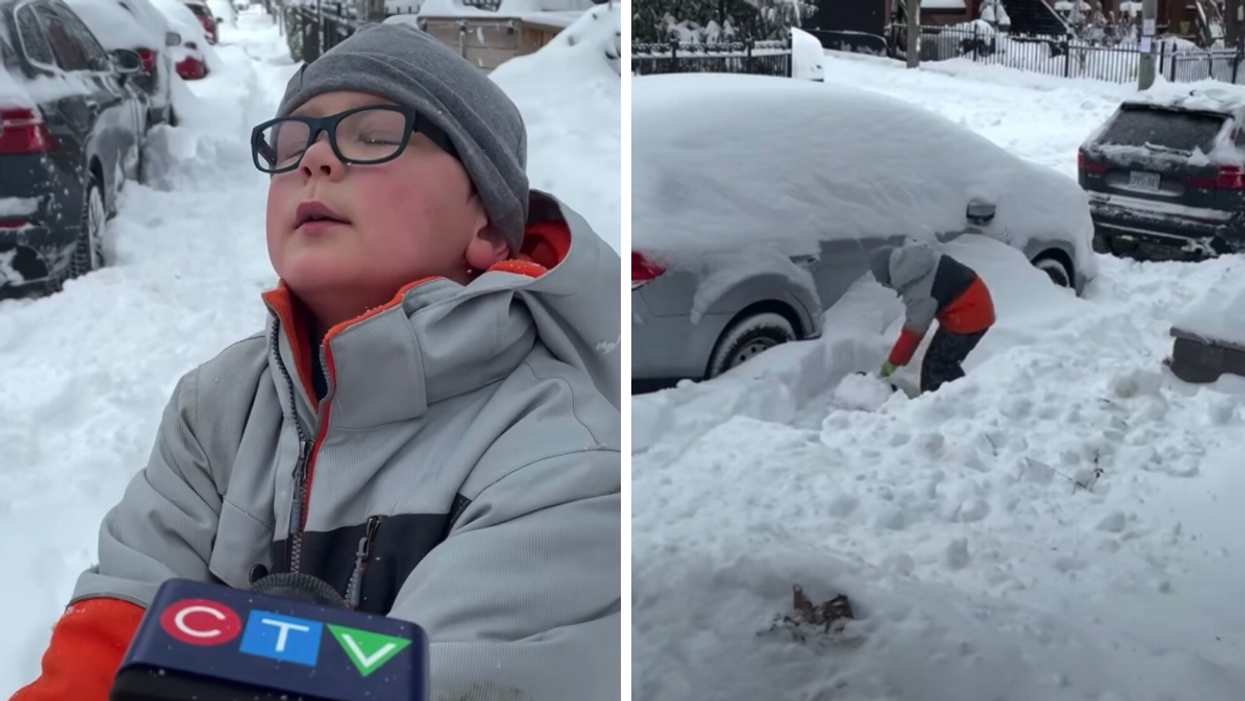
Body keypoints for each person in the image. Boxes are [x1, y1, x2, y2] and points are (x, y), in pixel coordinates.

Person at [10, 22, 620, 701]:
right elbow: (114, 629)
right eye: (294, 143)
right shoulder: (218, 406)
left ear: (486, 224)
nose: (315, 162)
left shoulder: (562, 464)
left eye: (373, 135)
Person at [870, 239, 994, 394]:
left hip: (969, 315)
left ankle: (954, 402)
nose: (886, 286)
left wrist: (892, 364)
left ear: (889, 276)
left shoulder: (919, 291)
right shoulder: (918, 261)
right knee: (938, 363)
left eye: (884, 283)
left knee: (938, 366)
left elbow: (913, 332)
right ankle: (948, 399)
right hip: (974, 304)